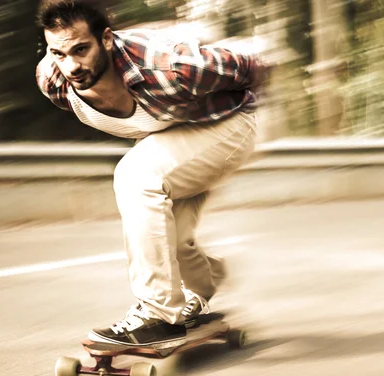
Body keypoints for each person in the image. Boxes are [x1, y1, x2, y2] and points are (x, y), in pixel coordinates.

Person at [36, 0, 264, 349]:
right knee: (168, 232)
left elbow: (250, 66)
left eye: (81, 50)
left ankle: (158, 315)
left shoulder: (172, 67)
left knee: (136, 177)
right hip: (169, 132)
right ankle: (204, 284)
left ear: (107, 40)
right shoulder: (52, 80)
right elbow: (62, 68)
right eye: (59, 53)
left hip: (229, 126)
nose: (71, 66)